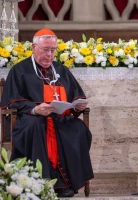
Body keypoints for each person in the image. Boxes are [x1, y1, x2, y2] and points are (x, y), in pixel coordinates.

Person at [0, 28, 94, 197]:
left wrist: (77, 106)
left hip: (59, 118)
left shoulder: (61, 70)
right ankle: (39, 184)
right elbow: (11, 101)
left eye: (53, 50)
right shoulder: (20, 70)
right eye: (45, 50)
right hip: (29, 118)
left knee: (78, 129)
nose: (50, 55)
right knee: (37, 127)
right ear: (34, 47)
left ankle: (67, 184)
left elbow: (76, 95)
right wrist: (35, 109)